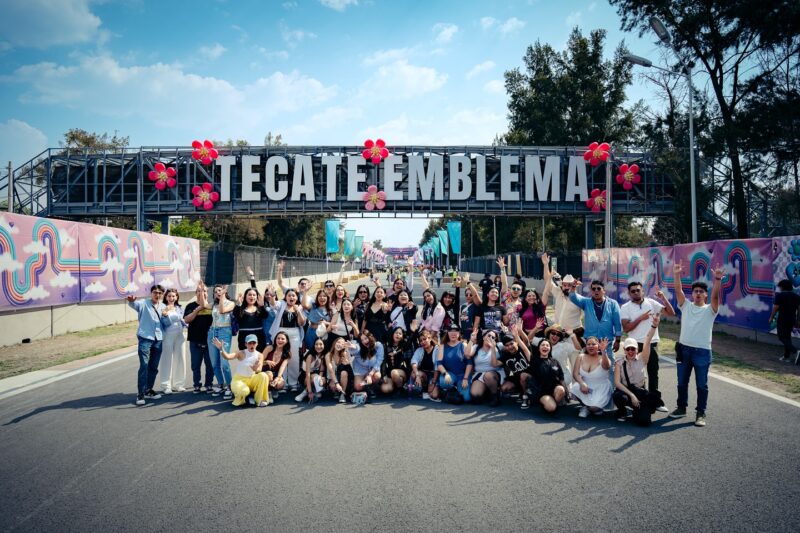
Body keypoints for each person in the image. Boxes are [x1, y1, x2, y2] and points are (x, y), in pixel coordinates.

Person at [670, 263, 724, 427]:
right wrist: (677, 274)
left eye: (701, 291)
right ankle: (681, 408)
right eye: (696, 291)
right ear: (692, 294)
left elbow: (716, 297)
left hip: (702, 352)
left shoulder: (710, 310)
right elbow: (678, 291)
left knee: (701, 385)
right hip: (684, 350)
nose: (698, 293)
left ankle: (700, 413)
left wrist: (717, 279)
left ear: (705, 295)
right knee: (681, 382)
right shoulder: (686, 306)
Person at [620, 281, 675, 412]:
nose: (636, 292)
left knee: (653, 372)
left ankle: (656, 401)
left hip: (651, 343)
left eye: (638, 290)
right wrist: (641, 318)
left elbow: (671, 313)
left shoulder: (652, 303)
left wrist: (663, 298)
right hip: (634, 345)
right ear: (629, 293)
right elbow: (626, 328)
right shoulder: (625, 307)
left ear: (643, 291)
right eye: (633, 291)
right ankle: (639, 400)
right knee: (635, 374)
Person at [568, 279, 622, 389]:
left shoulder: (613, 304)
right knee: (587, 369)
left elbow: (617, 322)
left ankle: (611, 393)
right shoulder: (586, 302)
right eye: (593, 289)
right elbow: (573, 297)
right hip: (590, 344)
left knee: (609, 369)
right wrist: (573, 287)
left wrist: (618, 340)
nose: (596, 291)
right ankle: (587, 393)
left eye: (598, 288)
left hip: (606, 343)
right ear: (591, 291)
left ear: (604, 290)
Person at [613, 316, 660, 423]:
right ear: (624, 350)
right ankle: (622, 411)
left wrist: (654, 326)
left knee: (644, 421)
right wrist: (632, 395)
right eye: (628, 349)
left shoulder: (642, 358)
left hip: (640, 391)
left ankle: (637, 410)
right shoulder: (619, 362)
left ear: (637, 349)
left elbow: (647, 341)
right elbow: (617, 383)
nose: (630, 351)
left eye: (633, 349)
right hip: (626, 392)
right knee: (618, 396)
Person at [127, 284, 166, 405]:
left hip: (158, 339)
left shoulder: (163, 307)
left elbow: (166, 323)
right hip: (145, 338)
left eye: (160, 293)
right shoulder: (143, 303)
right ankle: (140, 393)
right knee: (144, 365)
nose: (157, 295)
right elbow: (134, 304)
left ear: (162, 294)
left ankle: (148, 389)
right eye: (155, 292)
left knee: (153, 367)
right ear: (151, 293)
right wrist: (132, 301)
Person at [212, 334, 269, 407]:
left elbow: (259, 369)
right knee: (244, 391)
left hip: (251, 379)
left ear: (257, 343)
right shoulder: (240, 353)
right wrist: (221, 349)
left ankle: (259, 399)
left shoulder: (260, 355)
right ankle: (245, 396)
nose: (252, 345)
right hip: (239, 380)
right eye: (249, 343)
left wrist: (256, 369)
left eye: (254, 343)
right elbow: (228, 357)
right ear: (246, 344)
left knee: (264, 376)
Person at [266, 288, 306, 391]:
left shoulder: (299, 307)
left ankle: (293, 383)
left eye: (293, 295)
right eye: (289, 295)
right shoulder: (281, 304)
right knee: (281, 356)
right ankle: (282, 382)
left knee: (294, 358)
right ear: (286, 297)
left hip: (295, 333)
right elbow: (273, 304)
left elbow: (302, 323)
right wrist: (272, 295)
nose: (291, 297)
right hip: (281, 332)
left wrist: (298, 311)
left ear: (297, 297)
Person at [204, 284, 235, 400]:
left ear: (225, 292)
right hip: (212, 331)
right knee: (214, 363)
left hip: (224, 331)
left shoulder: (231, 303)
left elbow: (222, 311)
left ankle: (229, 386)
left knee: (224, 363)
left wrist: (222, 297)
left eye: (220, 290)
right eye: (216, 291)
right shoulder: (213, 305)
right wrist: (202, 292)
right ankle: (221, 384)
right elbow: (203, 305)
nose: (218, 292)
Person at [570, 337, 613, 418]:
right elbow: (575, 374)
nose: (591, 346)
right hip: (586, 385)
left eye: (593, 344)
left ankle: (592, 408)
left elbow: (607, 366)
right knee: (575, 388)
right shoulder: (581, 356)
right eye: (588, 344)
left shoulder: (603, 357)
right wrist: (582, 384)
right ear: (586, 346)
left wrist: (604, 351)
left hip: (601, 387)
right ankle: (585, 406)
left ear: (598, 346)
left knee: (594, 409)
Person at [540, 253, 583, 333]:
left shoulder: (579, 299)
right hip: (557, 333)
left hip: (572, 334)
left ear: (574, 286)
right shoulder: (559, 293)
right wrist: (546, 265)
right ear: (562, 285)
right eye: (564, 285)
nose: (566, 287)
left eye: (569, 285)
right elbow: (547, 282)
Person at [184, 282, 214, 394]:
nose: (202, 293)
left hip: (210, 341)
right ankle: (197, 384)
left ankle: (209, 384)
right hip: (195, 340)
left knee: (210, 365)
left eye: (204, 291)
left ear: (207, 293)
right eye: (199, 291)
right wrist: (197, 310)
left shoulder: (211, 306)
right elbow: (187, 320)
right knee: (195, 365)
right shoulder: (190, 306)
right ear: (196, 293)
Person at [434, 323, 476, 403]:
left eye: (456, 331)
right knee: (444, 382)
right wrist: (445, 374)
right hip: (450, 374)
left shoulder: (463, 345)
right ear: (447, 332)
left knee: (466, 398)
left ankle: (456, 389)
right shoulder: (442, 346)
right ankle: (450, 389)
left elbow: (469, 363)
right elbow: (439, 364)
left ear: (459, 333)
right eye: (450, 331)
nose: (453, 333)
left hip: (462, 375)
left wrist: (465, 378)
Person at [528, 336, 567, 414]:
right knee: (551, 408)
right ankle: (544, 402)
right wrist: (517, 336)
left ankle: (554, 400)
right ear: (539, 348)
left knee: (561, 389)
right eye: (543, 345)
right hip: (541, 392)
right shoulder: (534, 360)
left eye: (547, 345)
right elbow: (525, 347)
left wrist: (566, 393)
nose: (545, 347)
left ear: (550, 349)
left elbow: (561, 378)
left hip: (554, 389)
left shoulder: (555, 361)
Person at [159, 288, 187, 394]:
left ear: (177, 297)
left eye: (173, 296)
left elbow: (185, 322)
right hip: (167, 335)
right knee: (167, 360)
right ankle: (166, 386)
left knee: (180, 359)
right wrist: (166, 313)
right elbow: (164, 323)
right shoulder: (162, 308)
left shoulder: (180, 308)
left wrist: (185, 322)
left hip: (180, 335)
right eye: (169, 296)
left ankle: (178, 384)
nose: (171, 298)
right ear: (166, 297)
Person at [497, 325, 533, 408]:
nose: (510, 347)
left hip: (531, 377)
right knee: (504, 388)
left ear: (516, 342)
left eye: (511, 344)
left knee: (523, 376)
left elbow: (526, 341)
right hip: (517, 379)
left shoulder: (522, 349)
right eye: (507, 345)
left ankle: (525, 396)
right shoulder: (506, 355)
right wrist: (492, 348)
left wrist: (518, 333)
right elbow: (494, 364)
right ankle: (520, 392)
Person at [768, 279, 800, 363]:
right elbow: (799, 309)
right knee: (787, 337)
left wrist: (771, 317)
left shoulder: (780, 295)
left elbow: (775, 308)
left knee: (781, 337)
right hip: (792, 319)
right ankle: (786, 356)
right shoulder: (796, 296)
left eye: (780, 287)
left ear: (782, 287)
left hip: (783, 319)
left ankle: (796, 351)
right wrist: (797, 320)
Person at [470, 328, 503, 405]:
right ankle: (487, 391)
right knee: (475, 396)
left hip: (494, 374)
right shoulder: (477, 347)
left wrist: (493, 348)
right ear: (483, 337)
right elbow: (467, 354)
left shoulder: (499, 346)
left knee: (488, 375)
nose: (490, 338)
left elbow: (513, 347)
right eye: (489, 335)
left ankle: (495, 395)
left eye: (493, 337)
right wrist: (471, 340)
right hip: (480, 374)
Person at [351, 331, 384, 397]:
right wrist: (353, 347)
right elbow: (356, 349)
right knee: (358, 387)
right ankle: (365, 385)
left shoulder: (378, 345)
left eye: (365, 338)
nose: (364, 341)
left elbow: (379, 361)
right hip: (360, 369)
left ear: (370, 337)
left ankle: (370, 387)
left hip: (372, 369)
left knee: (377, 376)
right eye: (362, 340)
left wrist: (370, 375)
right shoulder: (360, 346)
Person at [295, 337, 328, 403]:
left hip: (315, 375)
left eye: (321, 344)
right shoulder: (310, 356)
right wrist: (309, 392)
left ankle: (315, 391)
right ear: (314, 345)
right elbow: (308, 374)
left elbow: (321, 370)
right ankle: (304, 393)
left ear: (324, 345)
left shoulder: (323, 355)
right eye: (316, 344)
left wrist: (319, 379)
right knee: (315, 377)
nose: (318, 346)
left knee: (323, 380)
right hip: (305, 376)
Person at [380, 327, 412, 395]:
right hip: (389, 372)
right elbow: (383, 361)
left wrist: (413, 331)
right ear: (393, 334)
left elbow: (410, 341)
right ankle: (394, 385)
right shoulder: (386, 346)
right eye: (396, 333)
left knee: (394, 372)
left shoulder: (404, 345)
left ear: (402, 336)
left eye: (400, 334)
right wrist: (384, 375)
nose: (397, 335)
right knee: (385, 389)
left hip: (402, 372)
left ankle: (400, 388)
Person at [410, 330, 439, 401]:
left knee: (434, 395)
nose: (422, 342)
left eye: (424, 339)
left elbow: (437, 368)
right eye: (420, 340)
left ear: (430, 338)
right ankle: (422, 388)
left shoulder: (437, 350)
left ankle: (434, 388)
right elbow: (413, 363)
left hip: (434, 375)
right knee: (414, 374)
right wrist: (417, 376)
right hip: (424, 374)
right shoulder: (419, 350)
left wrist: (433, 383)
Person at [326, 336, 356, 403]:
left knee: (344, 372)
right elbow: (331, 371)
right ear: (334, 343)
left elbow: (350, 368)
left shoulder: (345, 353)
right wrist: (336, 383)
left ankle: (342, 394)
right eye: (338, 342)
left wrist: (347, 349)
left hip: (344, 377)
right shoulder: (328, 355)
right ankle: (337, 391)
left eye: (342, 344)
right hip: (333, 377)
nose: (340, 344)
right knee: (333, 386)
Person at [261, 331, 292, 397]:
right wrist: (266, 362)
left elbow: (282, 367)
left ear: (286, 341)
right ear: (275, 339)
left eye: (282, 339)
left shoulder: (287, 353)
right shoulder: (269, 348)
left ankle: (274, 389)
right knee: (269, 374)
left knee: (280, 384)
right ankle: (268, 392)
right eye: (278, 338)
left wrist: (278, 377)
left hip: (276, 373)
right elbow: (259, 362)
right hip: (264, 372)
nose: (280, 340)